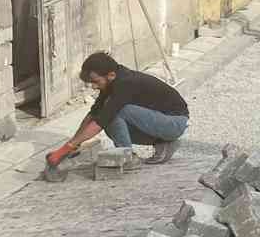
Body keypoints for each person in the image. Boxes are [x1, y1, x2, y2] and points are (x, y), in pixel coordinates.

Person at [57, 51, 188, 164]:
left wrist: (71, 145)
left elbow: (101, 120)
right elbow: (93, 114)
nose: (94, 87)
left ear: (111, 75)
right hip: (162, 122)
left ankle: (127, 159)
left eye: (96, 82)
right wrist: (72, 143)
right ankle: (163, 144)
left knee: (114, 114)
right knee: (110, 124)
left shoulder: (126, 83)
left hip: (174, 122)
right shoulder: (112, 81)